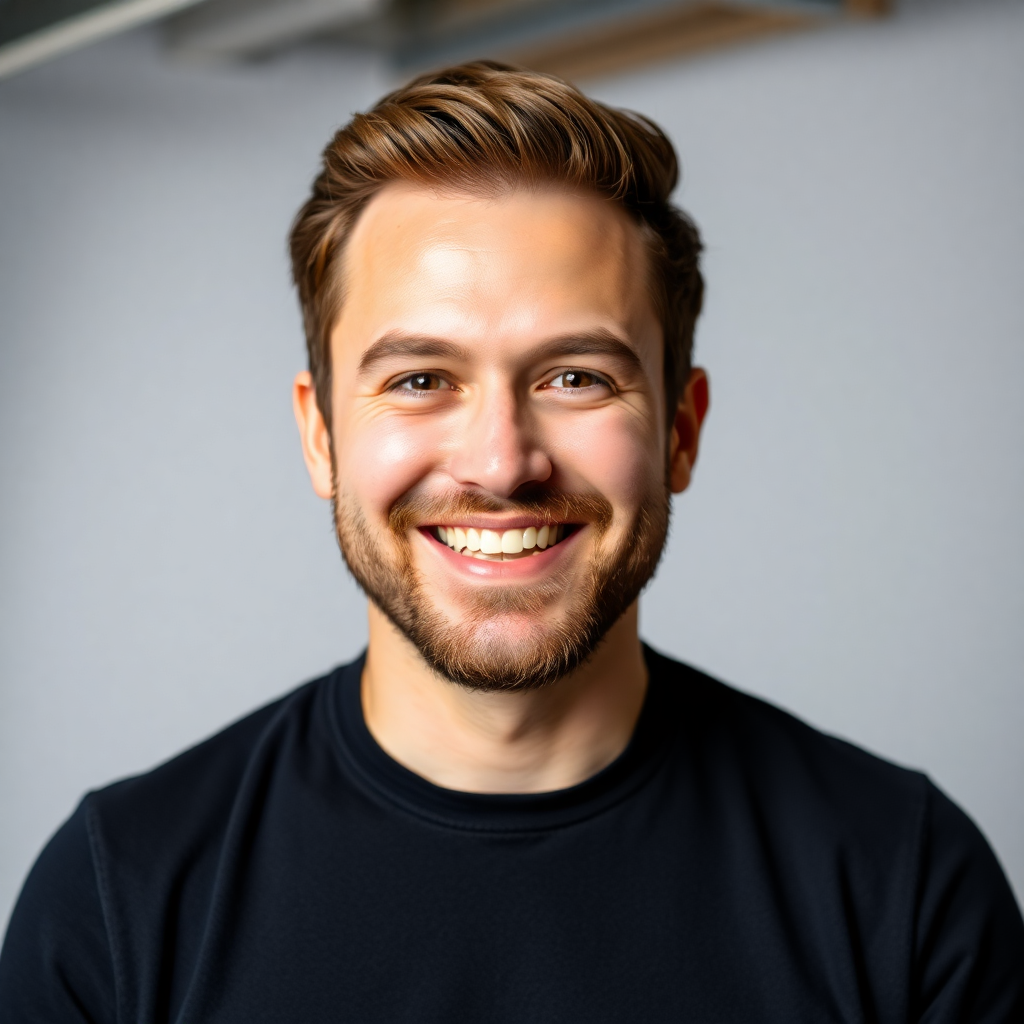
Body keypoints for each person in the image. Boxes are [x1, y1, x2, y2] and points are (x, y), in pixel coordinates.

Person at [1, 60, 1021, 1023]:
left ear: (679, 430)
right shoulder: (117, 901)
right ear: (320, 435)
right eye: (418, 378)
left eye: (575, 375)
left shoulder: (903, 881)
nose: (500, 462)